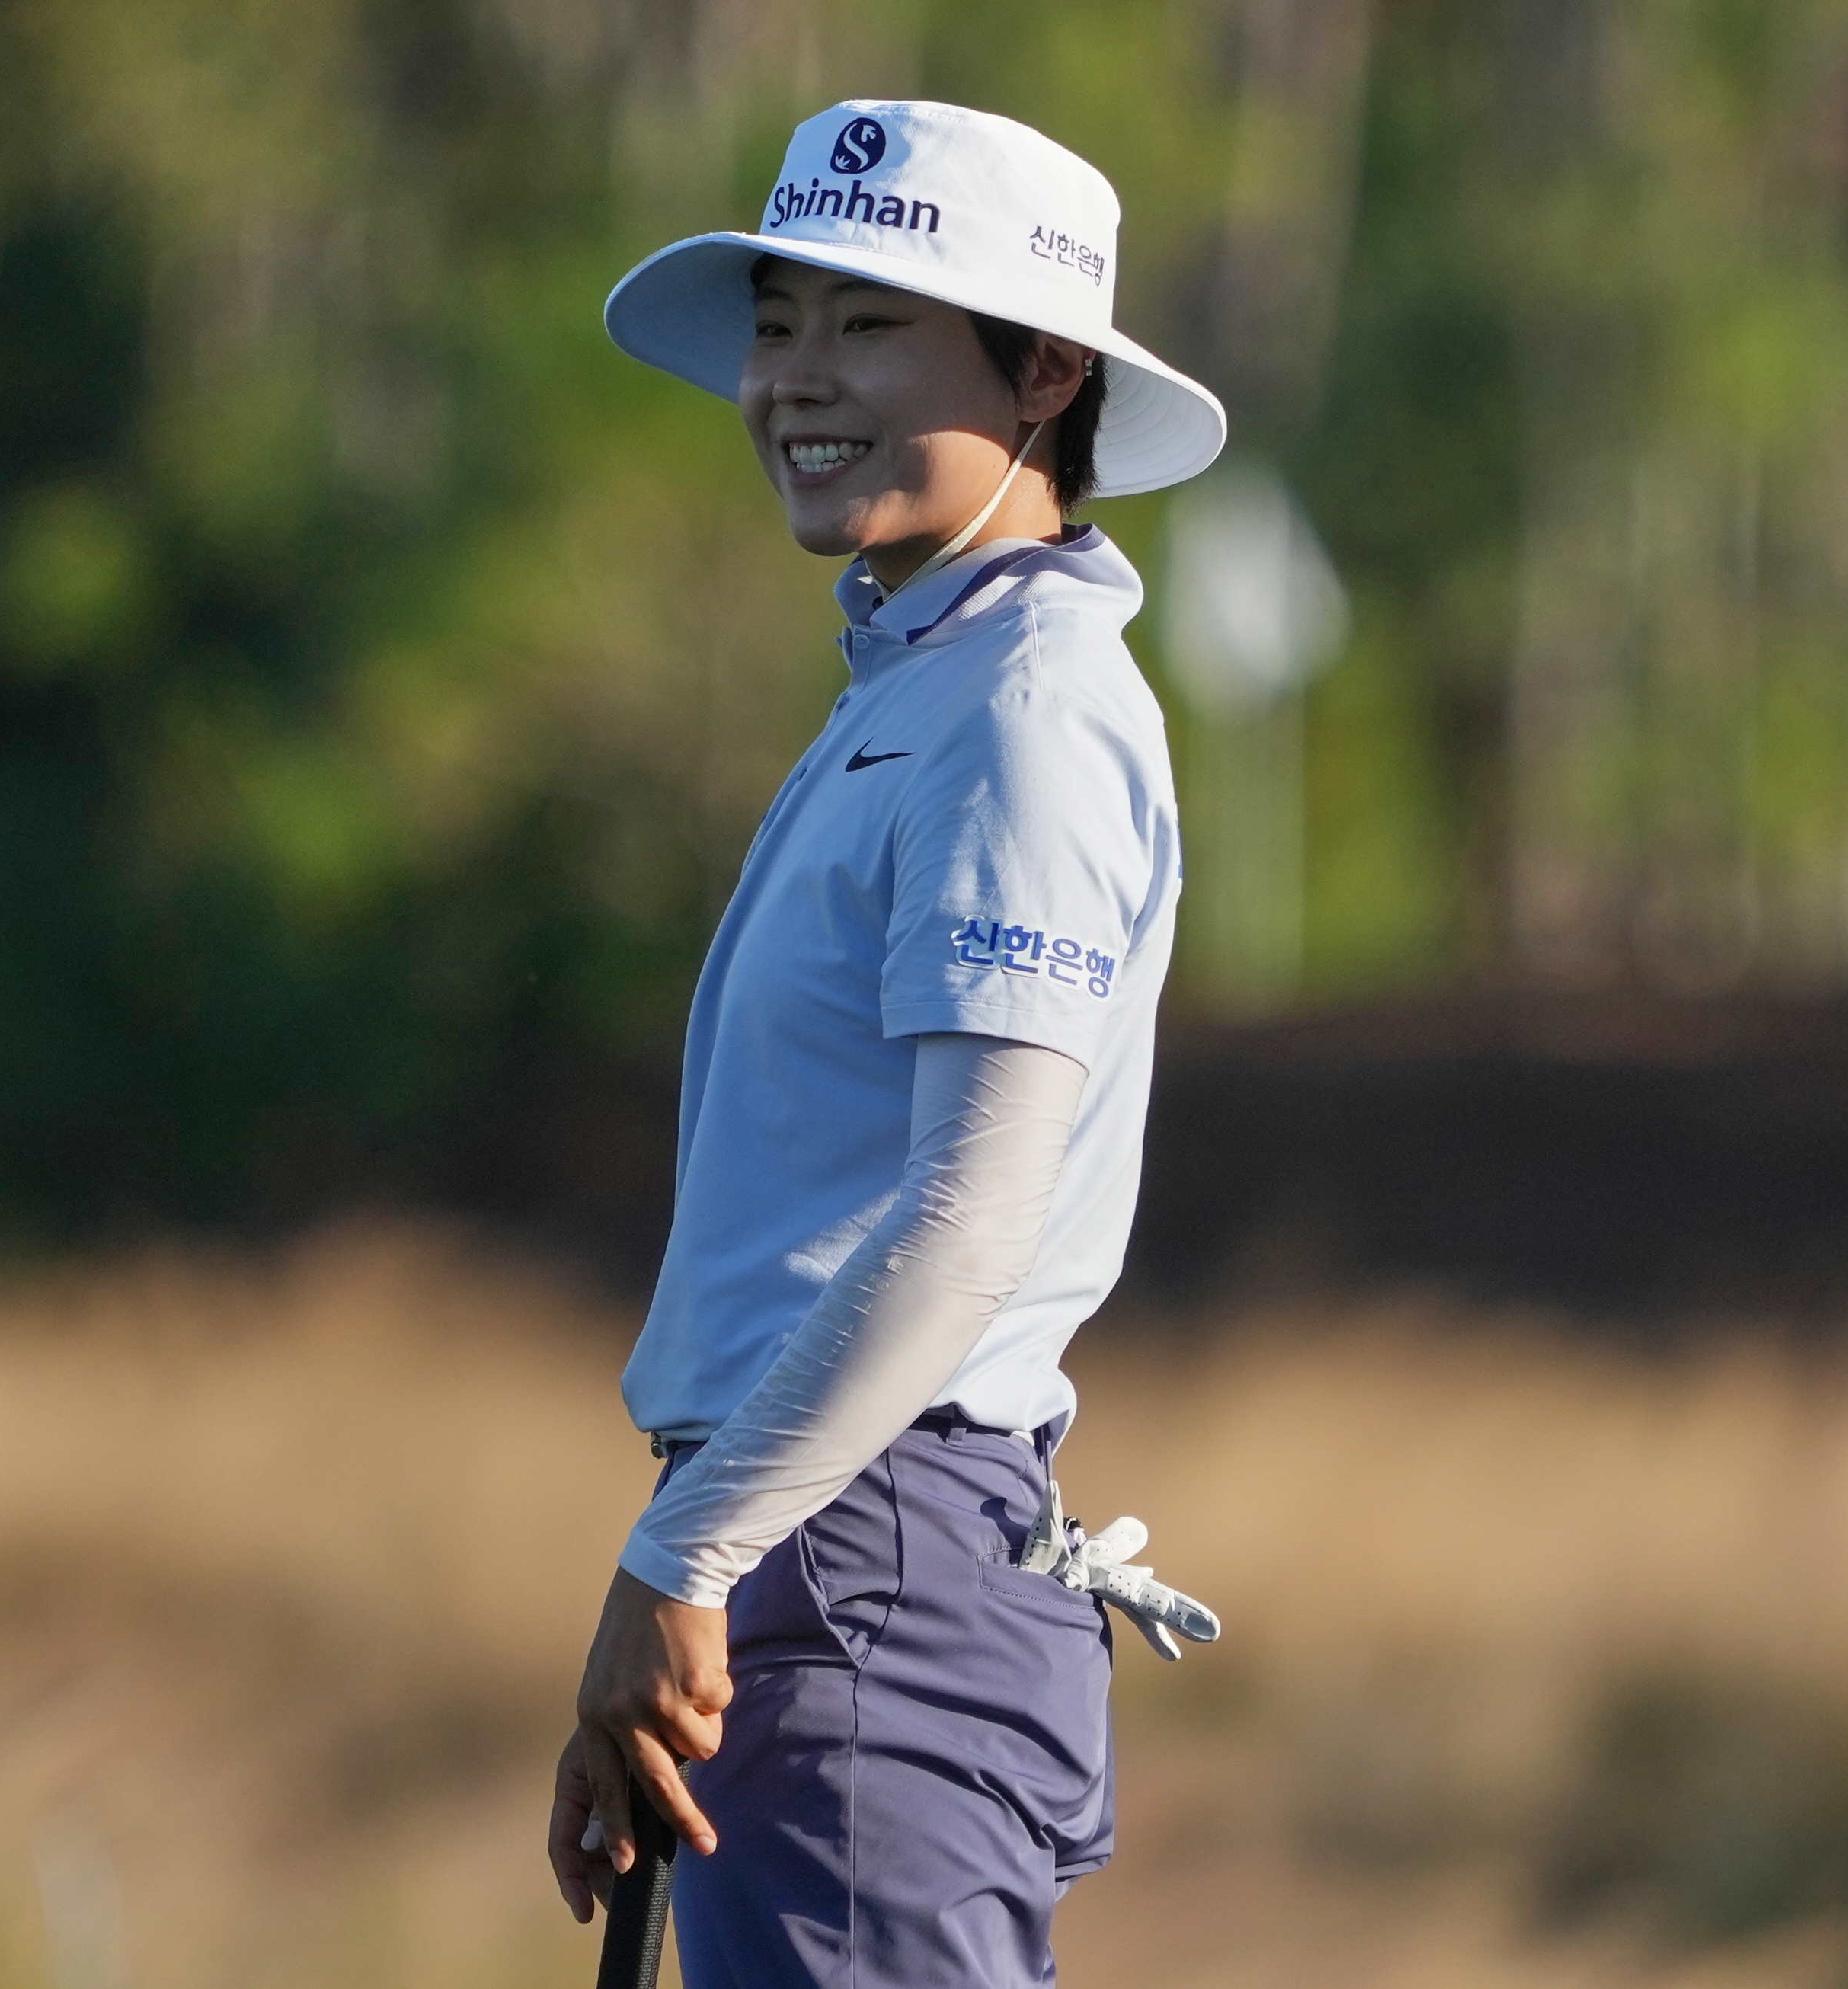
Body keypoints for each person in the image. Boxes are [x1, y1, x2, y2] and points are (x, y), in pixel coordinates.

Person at [545, 100, 1226, 1985]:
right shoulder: (925, 680)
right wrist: (691, 1567)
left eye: (869, 324)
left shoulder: (1021, 708)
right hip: (814, 1548)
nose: (793, 381)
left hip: (864, 1556)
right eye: (778, 322)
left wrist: (685, 1561)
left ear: (1042, 373)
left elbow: (966, 1218)